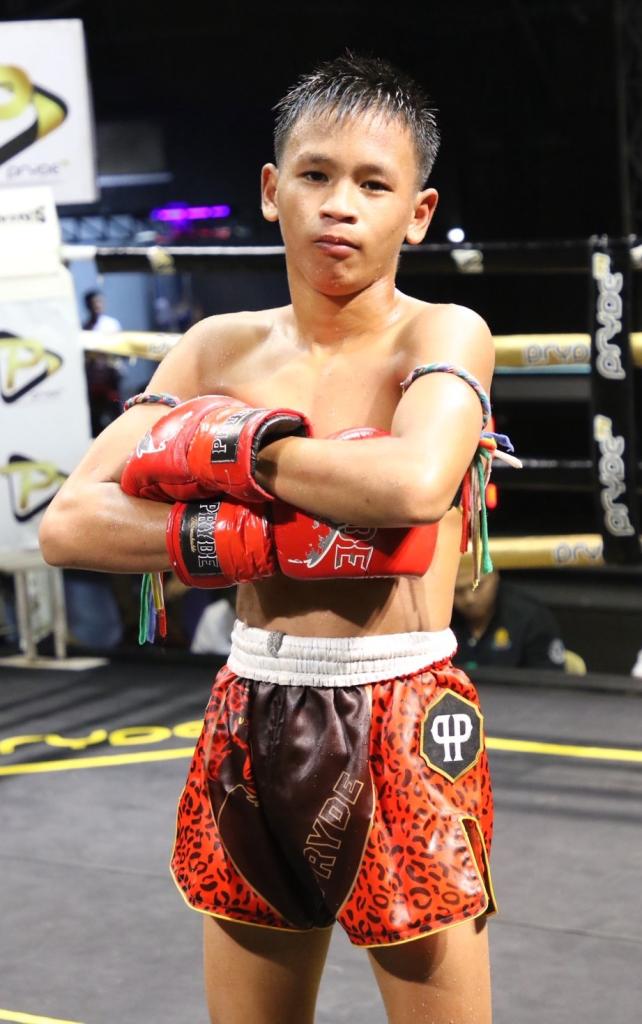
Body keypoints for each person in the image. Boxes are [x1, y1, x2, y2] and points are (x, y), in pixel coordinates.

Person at [40, 54, 504, 1024]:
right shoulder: (217, 346)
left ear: (417, 212)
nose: (340, 204)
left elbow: (414, 484)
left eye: (373, 184)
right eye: (316, 174)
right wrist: (262, 540)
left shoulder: (442, 333)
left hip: (402, 705)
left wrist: (237, 447)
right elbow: (70, 521)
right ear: (270, 189)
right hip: (254, 701)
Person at [452, 564, 566, 672]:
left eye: (477, 586)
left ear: (495, 575)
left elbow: (550, 679)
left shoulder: (531, 617)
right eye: (458, 591)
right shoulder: (443, 619)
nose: (469, 599)